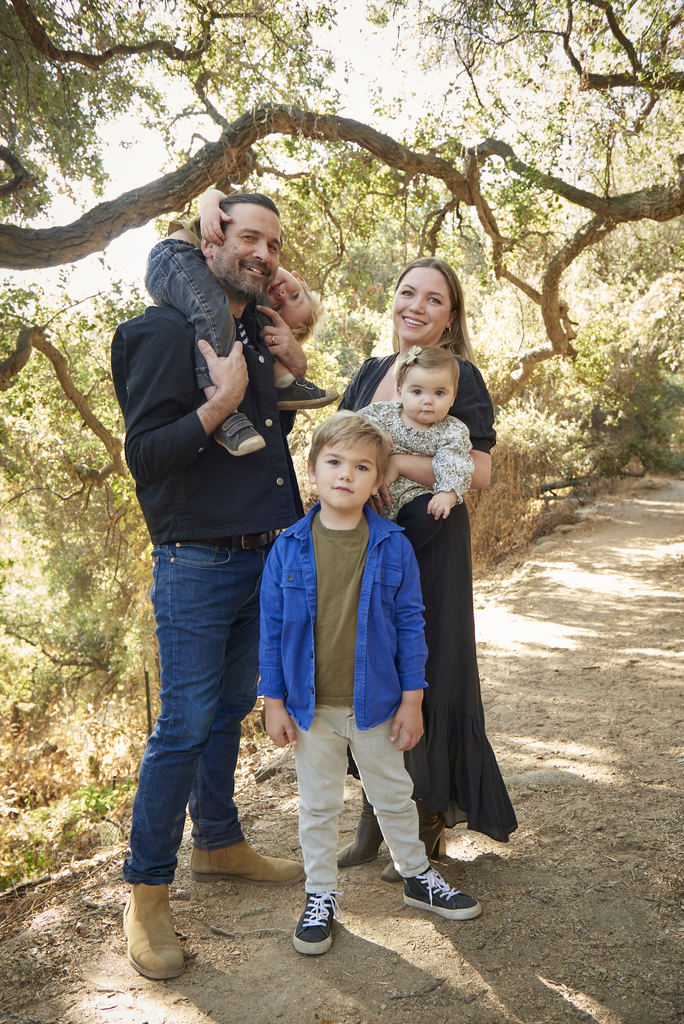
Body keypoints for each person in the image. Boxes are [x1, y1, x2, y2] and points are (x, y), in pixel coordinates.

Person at [111, 193, 308, 982]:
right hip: (196, 561)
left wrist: (288, 359)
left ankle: (219, 841)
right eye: (248, 236)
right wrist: (221, 402)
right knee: (185, 723)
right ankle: (146, 893)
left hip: (266, 555)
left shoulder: (252, 334)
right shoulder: (160, 332)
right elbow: (145, 456)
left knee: (228, 709)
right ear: (211, 241)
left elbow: (268, 441)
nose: (262, 253)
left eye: (274, 244)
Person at [258, 412, 482, 957]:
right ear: (312, 470)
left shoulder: (392, 545)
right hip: (311, 709)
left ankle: (416, 876)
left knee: (394, 795)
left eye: (361, 467)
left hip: (377, 704)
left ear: (378, 480)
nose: (345, 475)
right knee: (318, 806)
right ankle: (320, 894)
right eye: (334, 462)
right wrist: (273, 701)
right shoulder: (288, 547)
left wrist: (412, 700)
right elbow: (271, 629)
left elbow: (410, 625)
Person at [337, 256, 517, 880]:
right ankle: (376, 816)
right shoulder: (369, 373)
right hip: (368, 544)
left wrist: (393, 465)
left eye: (433, 299)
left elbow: (480, 472)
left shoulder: (460, 376)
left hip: (433, 540)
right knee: (371, 670)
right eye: (407, 292)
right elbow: (338, 449)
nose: (416, 306)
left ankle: (428, 816)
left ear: (450, 318)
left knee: (429, 667)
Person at [145, 187, 337, 456]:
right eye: (295, 295)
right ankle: (220, 402)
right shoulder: (238, 224)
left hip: (196, 271)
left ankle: (282, 382)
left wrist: (296, 365)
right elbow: (215, 192)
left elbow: (275, 429)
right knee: (213, 307)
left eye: (279, 308)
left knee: (253, 312)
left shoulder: (253, 301)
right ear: (299, 278)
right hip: (172, 257)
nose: (281, 295)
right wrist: (208, 206)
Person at [360, 345, 473, 523]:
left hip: (415, 499)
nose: (428, 401)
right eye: (417, 392)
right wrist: (376, 433)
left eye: (439, 393)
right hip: (373, 497)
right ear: (400, 391)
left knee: (429, 514)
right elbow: (353, 425)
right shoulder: (383, 414)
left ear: (453, 397)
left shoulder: (451, 431)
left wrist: (447, 494)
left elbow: (456, 463)